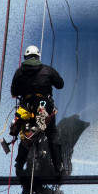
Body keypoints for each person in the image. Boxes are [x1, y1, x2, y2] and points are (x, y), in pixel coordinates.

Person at [9, 45, 64, 174]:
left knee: (27, 134)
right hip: (45, 106)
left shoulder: (19, 72)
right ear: (38, 56)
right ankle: (58, 165)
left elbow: (14, 91)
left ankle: (19, 166)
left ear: (25, 57)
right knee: (51, 134)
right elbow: (60, 84)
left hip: (27, 108)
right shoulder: (48, 70)